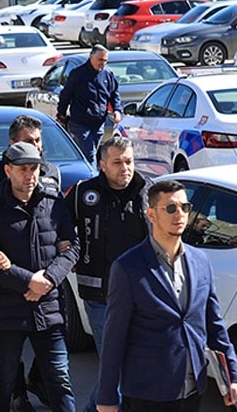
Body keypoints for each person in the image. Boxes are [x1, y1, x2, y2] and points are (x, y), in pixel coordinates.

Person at [96, 180, 237, 412]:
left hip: (193, 390)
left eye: (185, 207)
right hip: (148, 394)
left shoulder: (200, 261)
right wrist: (106, 397)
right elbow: (114, 337)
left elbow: (214, 325)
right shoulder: (128, 268)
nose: (180, 215)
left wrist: (232, 374)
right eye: (171, 208)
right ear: (151, 215)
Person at [0, 141, 79, 412]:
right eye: (23, 169)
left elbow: (72, 247)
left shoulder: (53, 203)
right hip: (9, 311)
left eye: (34, 168)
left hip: (49, 308)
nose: (30, 175)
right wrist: (27, 281)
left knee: (59, 379)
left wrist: (47, 280)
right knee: (4, 381)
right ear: (8, 170)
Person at [65, 136, 149, 412]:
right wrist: (68, 250)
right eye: (117, 162)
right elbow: (59, 227)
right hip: (100, 297)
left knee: (123, 366)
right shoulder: (83, 193)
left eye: (129, 161)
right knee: (117, 365)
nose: (125, 168)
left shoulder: (147, 192)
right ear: (102, 165)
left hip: (140, 297)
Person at [56, 44, 121, 165]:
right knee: (90, 155)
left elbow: (114, 94)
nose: (102, 63)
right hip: (80, 123)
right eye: (100, 60)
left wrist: (117, 110)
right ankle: (93, 180)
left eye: (105, 60)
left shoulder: (108, 74)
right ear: (91, 57)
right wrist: (61, 114)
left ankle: (84, 176)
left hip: (98, 123)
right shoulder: (78, 74)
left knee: (92, 154)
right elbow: (66, 95)